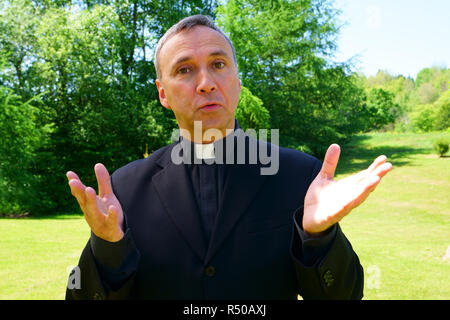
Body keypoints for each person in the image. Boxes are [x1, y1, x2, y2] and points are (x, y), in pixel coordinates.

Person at [65, 15, 392, 300]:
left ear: (237, 80)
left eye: (218, 64)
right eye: (184, 70)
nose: (206, 83)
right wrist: (107, 248)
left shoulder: (300, 177)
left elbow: (345, 296)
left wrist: (319, 238)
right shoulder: (124, 189)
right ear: (163, 93)